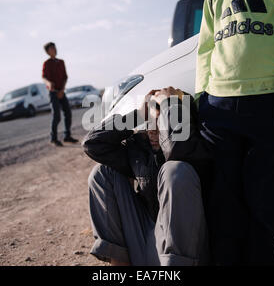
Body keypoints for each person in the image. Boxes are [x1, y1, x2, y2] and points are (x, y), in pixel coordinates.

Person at [195, 0, 274, 265]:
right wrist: (200, 100)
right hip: (217, 109)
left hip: (269, 105)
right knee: (224, 201)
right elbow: (205, 51)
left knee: (269, 199)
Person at [82, 87, 213, 266]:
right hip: (146, 241)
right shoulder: (140, 149)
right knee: (101, 173)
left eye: (160, 121)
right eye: (149, 122)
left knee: (175, 170)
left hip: (185, 254)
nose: (151, 130)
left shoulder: (194, 146)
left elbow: (177, 149)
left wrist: (170, 103)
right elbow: (92, 144)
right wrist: (138, 115)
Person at [42, 42, 78, 146]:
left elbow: (65, 77)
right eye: (52, 48)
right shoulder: (47, 63)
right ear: (48, 51)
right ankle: (53, 138)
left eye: (55, 47)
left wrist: (62, 90)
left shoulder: (61, 62)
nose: (54, 49)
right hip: (53, 92)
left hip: (61, 91)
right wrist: (49, 83)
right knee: (56, 116)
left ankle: (67, 136)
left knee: (68, 113)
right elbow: (44, 77)